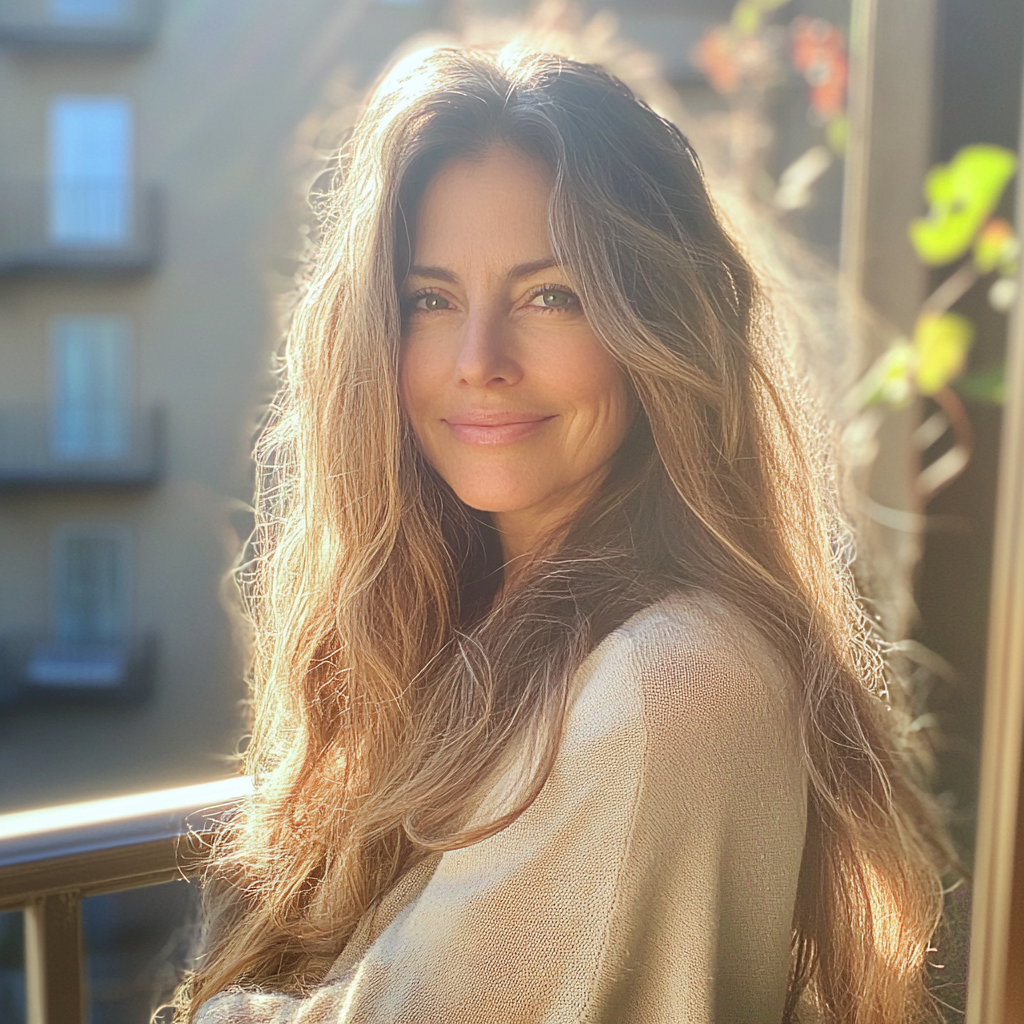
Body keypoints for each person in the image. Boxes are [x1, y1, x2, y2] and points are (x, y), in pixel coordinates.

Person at [178, 45, 954, 1024]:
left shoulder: (665, 683)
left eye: (551, 295)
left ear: (652, 325)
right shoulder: (479, 623)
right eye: (431, 300)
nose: (479, 361)